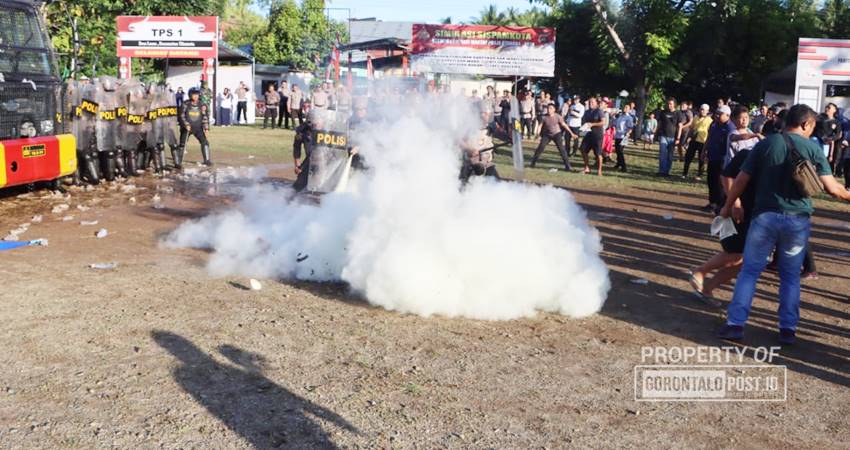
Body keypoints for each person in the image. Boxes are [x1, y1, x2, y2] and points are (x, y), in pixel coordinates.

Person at [717, 104, 850, 344]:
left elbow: (741, 180)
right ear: (806, 124)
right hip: (797, 221)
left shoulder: (766, 143)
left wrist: (728, 206)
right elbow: (833, 189)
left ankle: (735, 325)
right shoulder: (812, 148)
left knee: (749, 272)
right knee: (790, 276)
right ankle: (787, 329)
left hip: (764, 217)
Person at [688, 141, 757, 308]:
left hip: (757, 213)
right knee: (735, 252)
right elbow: (726, 175)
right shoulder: (749, 154)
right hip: (740, 212)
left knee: (743, 259)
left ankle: (708, 287)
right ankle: (701, 272)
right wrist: (735, 203)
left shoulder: (778, 158)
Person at [460, 103, 511, 182]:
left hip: (486, 164)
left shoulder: (491, 125)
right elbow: (459, 140)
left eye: (488, 113)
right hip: (471, 165)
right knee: (463, 189)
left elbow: (503, 135)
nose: (487, 115)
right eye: (485, 113)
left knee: (496, 186)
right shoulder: (468, 126)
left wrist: (511, 136)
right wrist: (469, 149)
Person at [702, 105, 735, 212]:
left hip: (722, 159)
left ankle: (720, 205)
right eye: (716, 113)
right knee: (711, 180)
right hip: (712, 156)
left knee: (719, 183)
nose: (716, 116)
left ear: (727, 115)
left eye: (720, 114)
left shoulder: (730, 128)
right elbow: (709, 138)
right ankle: (712, 203)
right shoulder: (714, 124)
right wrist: (704, 151)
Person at [530, 103, 577, 171]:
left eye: (551, 108)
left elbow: (564, 125)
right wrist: (537, 134)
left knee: (562, 150)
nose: (549, 110)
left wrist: (572, 133)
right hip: (547, 134)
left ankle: (568, 166)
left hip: (557, 134)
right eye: (548, 108)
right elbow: (540, 126)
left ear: (554, 110)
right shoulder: (544, 117)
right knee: (540, 147)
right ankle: (533, 163)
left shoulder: (558, 116)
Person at [180, 88, 212, 166]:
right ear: (190, 95)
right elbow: (182, 115)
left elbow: (205, 117)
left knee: (205, 142)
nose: (195, 96)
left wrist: (206, 128)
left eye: (197, 94)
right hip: (187, 128)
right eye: (194, 94)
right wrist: (186, 124)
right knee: (182, 144)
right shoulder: (185, 104)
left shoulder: (202, 105)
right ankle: (178, 161)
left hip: (198, 128)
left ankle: (207, 160)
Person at [682, 104, 712, 180]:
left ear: (707, 111)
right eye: (701, 109)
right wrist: (688, 138)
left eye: (704, 110)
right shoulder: (695, 118)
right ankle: (684, 173)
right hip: (694, 140)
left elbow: (710, 132)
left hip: (703, 141)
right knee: (688, 157)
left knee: (701, 159)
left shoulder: (710, 120)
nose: (702, 111)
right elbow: (691, 129)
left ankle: (699, 175)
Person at [579, 96, 606, 176]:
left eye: (592, 102)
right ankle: (587, 167)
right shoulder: (587, 112)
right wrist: (583, 127)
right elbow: (585, 122)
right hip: (589, 134)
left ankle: (599, 170)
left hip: (598, 135)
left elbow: (603, 122)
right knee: (582, 149)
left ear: (596, 103)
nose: (590, 104)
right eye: (589, 102)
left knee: (598, 153)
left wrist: (593, 124)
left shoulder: (599, 111)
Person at [655, 97, 682, 177]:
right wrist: (656, 134)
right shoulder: (663, 112)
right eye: (668, 103)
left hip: (672, 138)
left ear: (674, 105)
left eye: (670, 104)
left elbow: (680, 126)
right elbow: (659, 124)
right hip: (663, 136)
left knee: (669, 156)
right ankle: (661, 171)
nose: (669, 105)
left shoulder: (678, 113)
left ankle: (666, 172)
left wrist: (678, 138)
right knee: (662, 154)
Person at [613, 104, 635, 172]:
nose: (624, 108)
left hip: (624, 136)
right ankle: (618, 163)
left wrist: (628, 134)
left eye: (626, 107)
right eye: (624, 107)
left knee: (620, 151)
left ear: (629, 110)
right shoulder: (620, 116)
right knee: (617, 150)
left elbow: (630, 127)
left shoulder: (629, 118)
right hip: (617, 135)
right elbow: (615, 123)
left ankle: (624, 167)